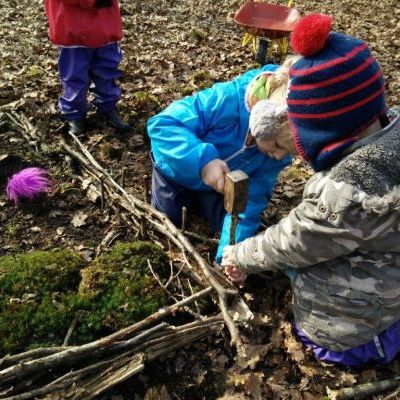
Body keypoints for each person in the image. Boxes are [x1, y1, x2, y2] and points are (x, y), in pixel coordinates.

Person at [222, 13, 400, 366]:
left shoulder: (351, 190)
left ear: (325, 127)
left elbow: (294, 240)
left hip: (357, 319)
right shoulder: (391, 135)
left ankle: (371, 343)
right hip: (389, 264)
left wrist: (240, 254)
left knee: (321, 332)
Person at [147, 62, 295, 261]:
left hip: (219, 186)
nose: (279, 157)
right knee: (170, 217)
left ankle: (202, 202)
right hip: (176, 172)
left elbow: (251, 198)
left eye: (289, 153)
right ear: (264, 121)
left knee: (232, 226)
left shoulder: (275, 155)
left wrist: (231, 254)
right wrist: (204, 162)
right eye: (278, 146)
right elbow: (163, 125)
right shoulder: (226, 100)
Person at [44, 0, 131, 135]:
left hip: (105, 24)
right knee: (74, 76)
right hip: (72, 25)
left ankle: (108, 107)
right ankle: (75, 114)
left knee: (107, 71)